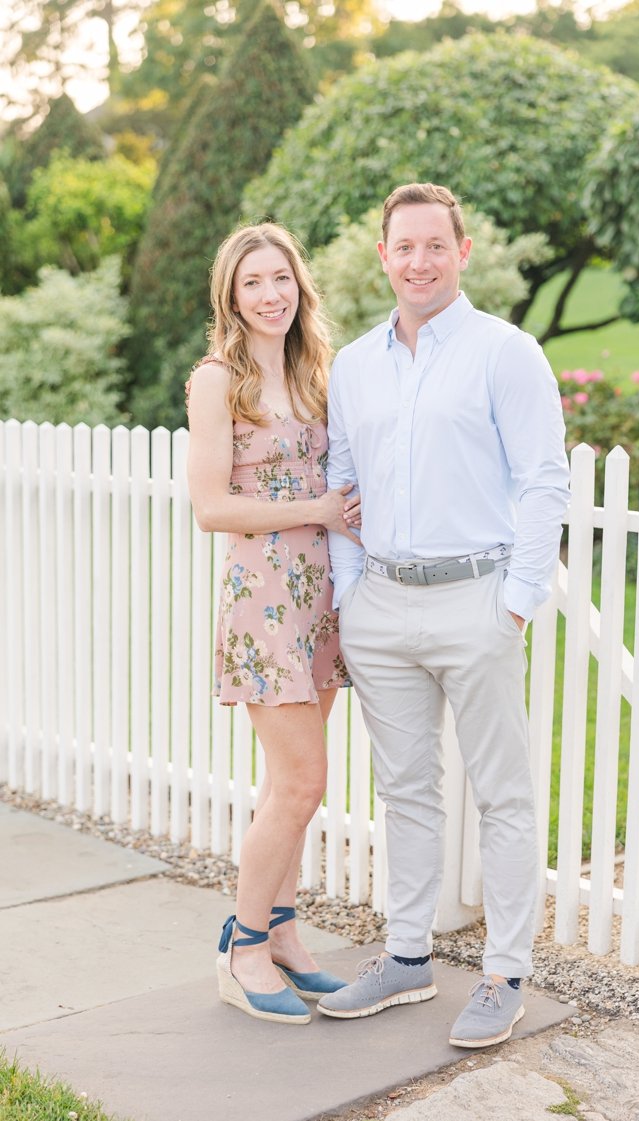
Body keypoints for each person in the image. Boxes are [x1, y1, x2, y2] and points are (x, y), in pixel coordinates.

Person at [315, 182, 570, 1050]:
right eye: (403, 246)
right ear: (382, 256)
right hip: (380, 604)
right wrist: (351, 594)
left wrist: (516, 600)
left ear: (461, 252)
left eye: (435, 245)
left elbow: (544, 479)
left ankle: (505, 972)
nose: (418, 261)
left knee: (501, 794)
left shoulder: (506, 352)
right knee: (405, 790)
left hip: (478, 599)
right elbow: (341, 487)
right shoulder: (352, 365)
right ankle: (408, 956)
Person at [187, 222, 359, 1024]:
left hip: (320, 598)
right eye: (253, 282)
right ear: (233, 295)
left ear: (300, 286)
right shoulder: (218, 380)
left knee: (286, 785)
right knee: (301, 782)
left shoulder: (315, 372)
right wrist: (316, 508)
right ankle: (243, 945)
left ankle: (285, 935)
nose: (270, 295)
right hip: (265, 601)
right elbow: (211, 507)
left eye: (281, 279)